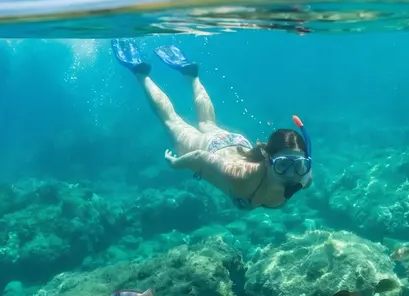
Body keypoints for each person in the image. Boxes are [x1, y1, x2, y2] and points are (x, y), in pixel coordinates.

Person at [110, 39, 312, 209]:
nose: (291, 175)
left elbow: (304, 176)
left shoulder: (303, 177)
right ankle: (140, 72)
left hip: (237, 144)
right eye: (283, 165)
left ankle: (192, 75)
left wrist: (298, 169)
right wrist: (176, 164)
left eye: (299, 165)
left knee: (208, 123)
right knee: (172, 121)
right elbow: (200, 157)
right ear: (268, 160)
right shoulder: (240, 176)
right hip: (215, 149)